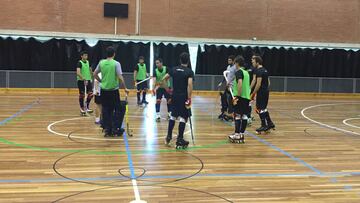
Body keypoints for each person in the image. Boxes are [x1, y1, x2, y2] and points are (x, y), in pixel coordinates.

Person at [93, 46, 129, 137]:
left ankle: (107, 130)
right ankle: (114, 129)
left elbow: (94, 74)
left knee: (105, 110)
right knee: (116, 109)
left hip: (104, 90)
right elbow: (120, 77)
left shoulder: (101, 63)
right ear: (114, 54)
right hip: (113, 91)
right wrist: (125, 88)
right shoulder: (116, 63)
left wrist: (101, 81)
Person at [162, 52, 194, 149]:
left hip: (175, 95)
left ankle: (168, 136)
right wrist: (189, 98)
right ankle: (180, 138)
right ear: (188, 61)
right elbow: (189, 84)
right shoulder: (189, 71)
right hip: (183, 96)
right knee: (183, 117)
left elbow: (164, 79)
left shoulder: (174, 69)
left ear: (180, 60)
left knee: (173, 116)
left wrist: (168, 90)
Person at [228, 56, 251, 143]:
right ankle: (241, 134)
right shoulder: (246, 73)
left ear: (237, 63)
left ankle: (237, 134)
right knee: (244, 116)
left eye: (234, 63)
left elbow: (240, 84)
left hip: (240, 97)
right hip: (246, 97)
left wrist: (237, 96)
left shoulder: (238, 72)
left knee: (237, 115)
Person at [251, 55, 275, 134]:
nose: (252, 63)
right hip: (265, 92)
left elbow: (258, 84)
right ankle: (270, 123)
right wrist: (265, 89)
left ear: (257, 62)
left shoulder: (259, 71)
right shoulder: (265, 70)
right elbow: (268, 82)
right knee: (263, 108)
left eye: (254, 62)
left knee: (259, 108)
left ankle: (263, 125)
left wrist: (253, 93)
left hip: (261, 92)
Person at [152, 58, 172, 122]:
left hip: (166, 87)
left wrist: (162, 81)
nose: (156, 64)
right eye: (156, 63)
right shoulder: (155, 71)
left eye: (158, 63)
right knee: (158, 101)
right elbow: (154, 81)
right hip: (159, 89)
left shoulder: (167, 69)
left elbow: (167, 77)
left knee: (169, 101)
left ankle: (169, 114)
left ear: (161, 63)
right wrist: (153, 89)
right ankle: (158, 116)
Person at [217, 55, 236, 121]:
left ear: (233, 61)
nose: (229, 61)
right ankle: (224, 112)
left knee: (230, 100)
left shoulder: (235, 68)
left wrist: (230, 83)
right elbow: (226, 76)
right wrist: (222, 83)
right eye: (228, 60)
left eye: (230, 60)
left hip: (231, 85)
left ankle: (231, 114)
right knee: (222, 97)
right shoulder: (228, 67)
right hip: (226, 84)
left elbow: (235, 77)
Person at [76, 51, 94, 115]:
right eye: (84, 55)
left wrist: (92, 77)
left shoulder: (88, 62)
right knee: (82, 95)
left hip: (88, 80)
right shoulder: (79, 63)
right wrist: (83, 78)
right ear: (81, 56)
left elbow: (90, 70)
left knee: (91, 94)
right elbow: (78, 72)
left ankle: (87, 106)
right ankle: (82, 108)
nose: (86, 57)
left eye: (86, 55)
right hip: (81, 81)